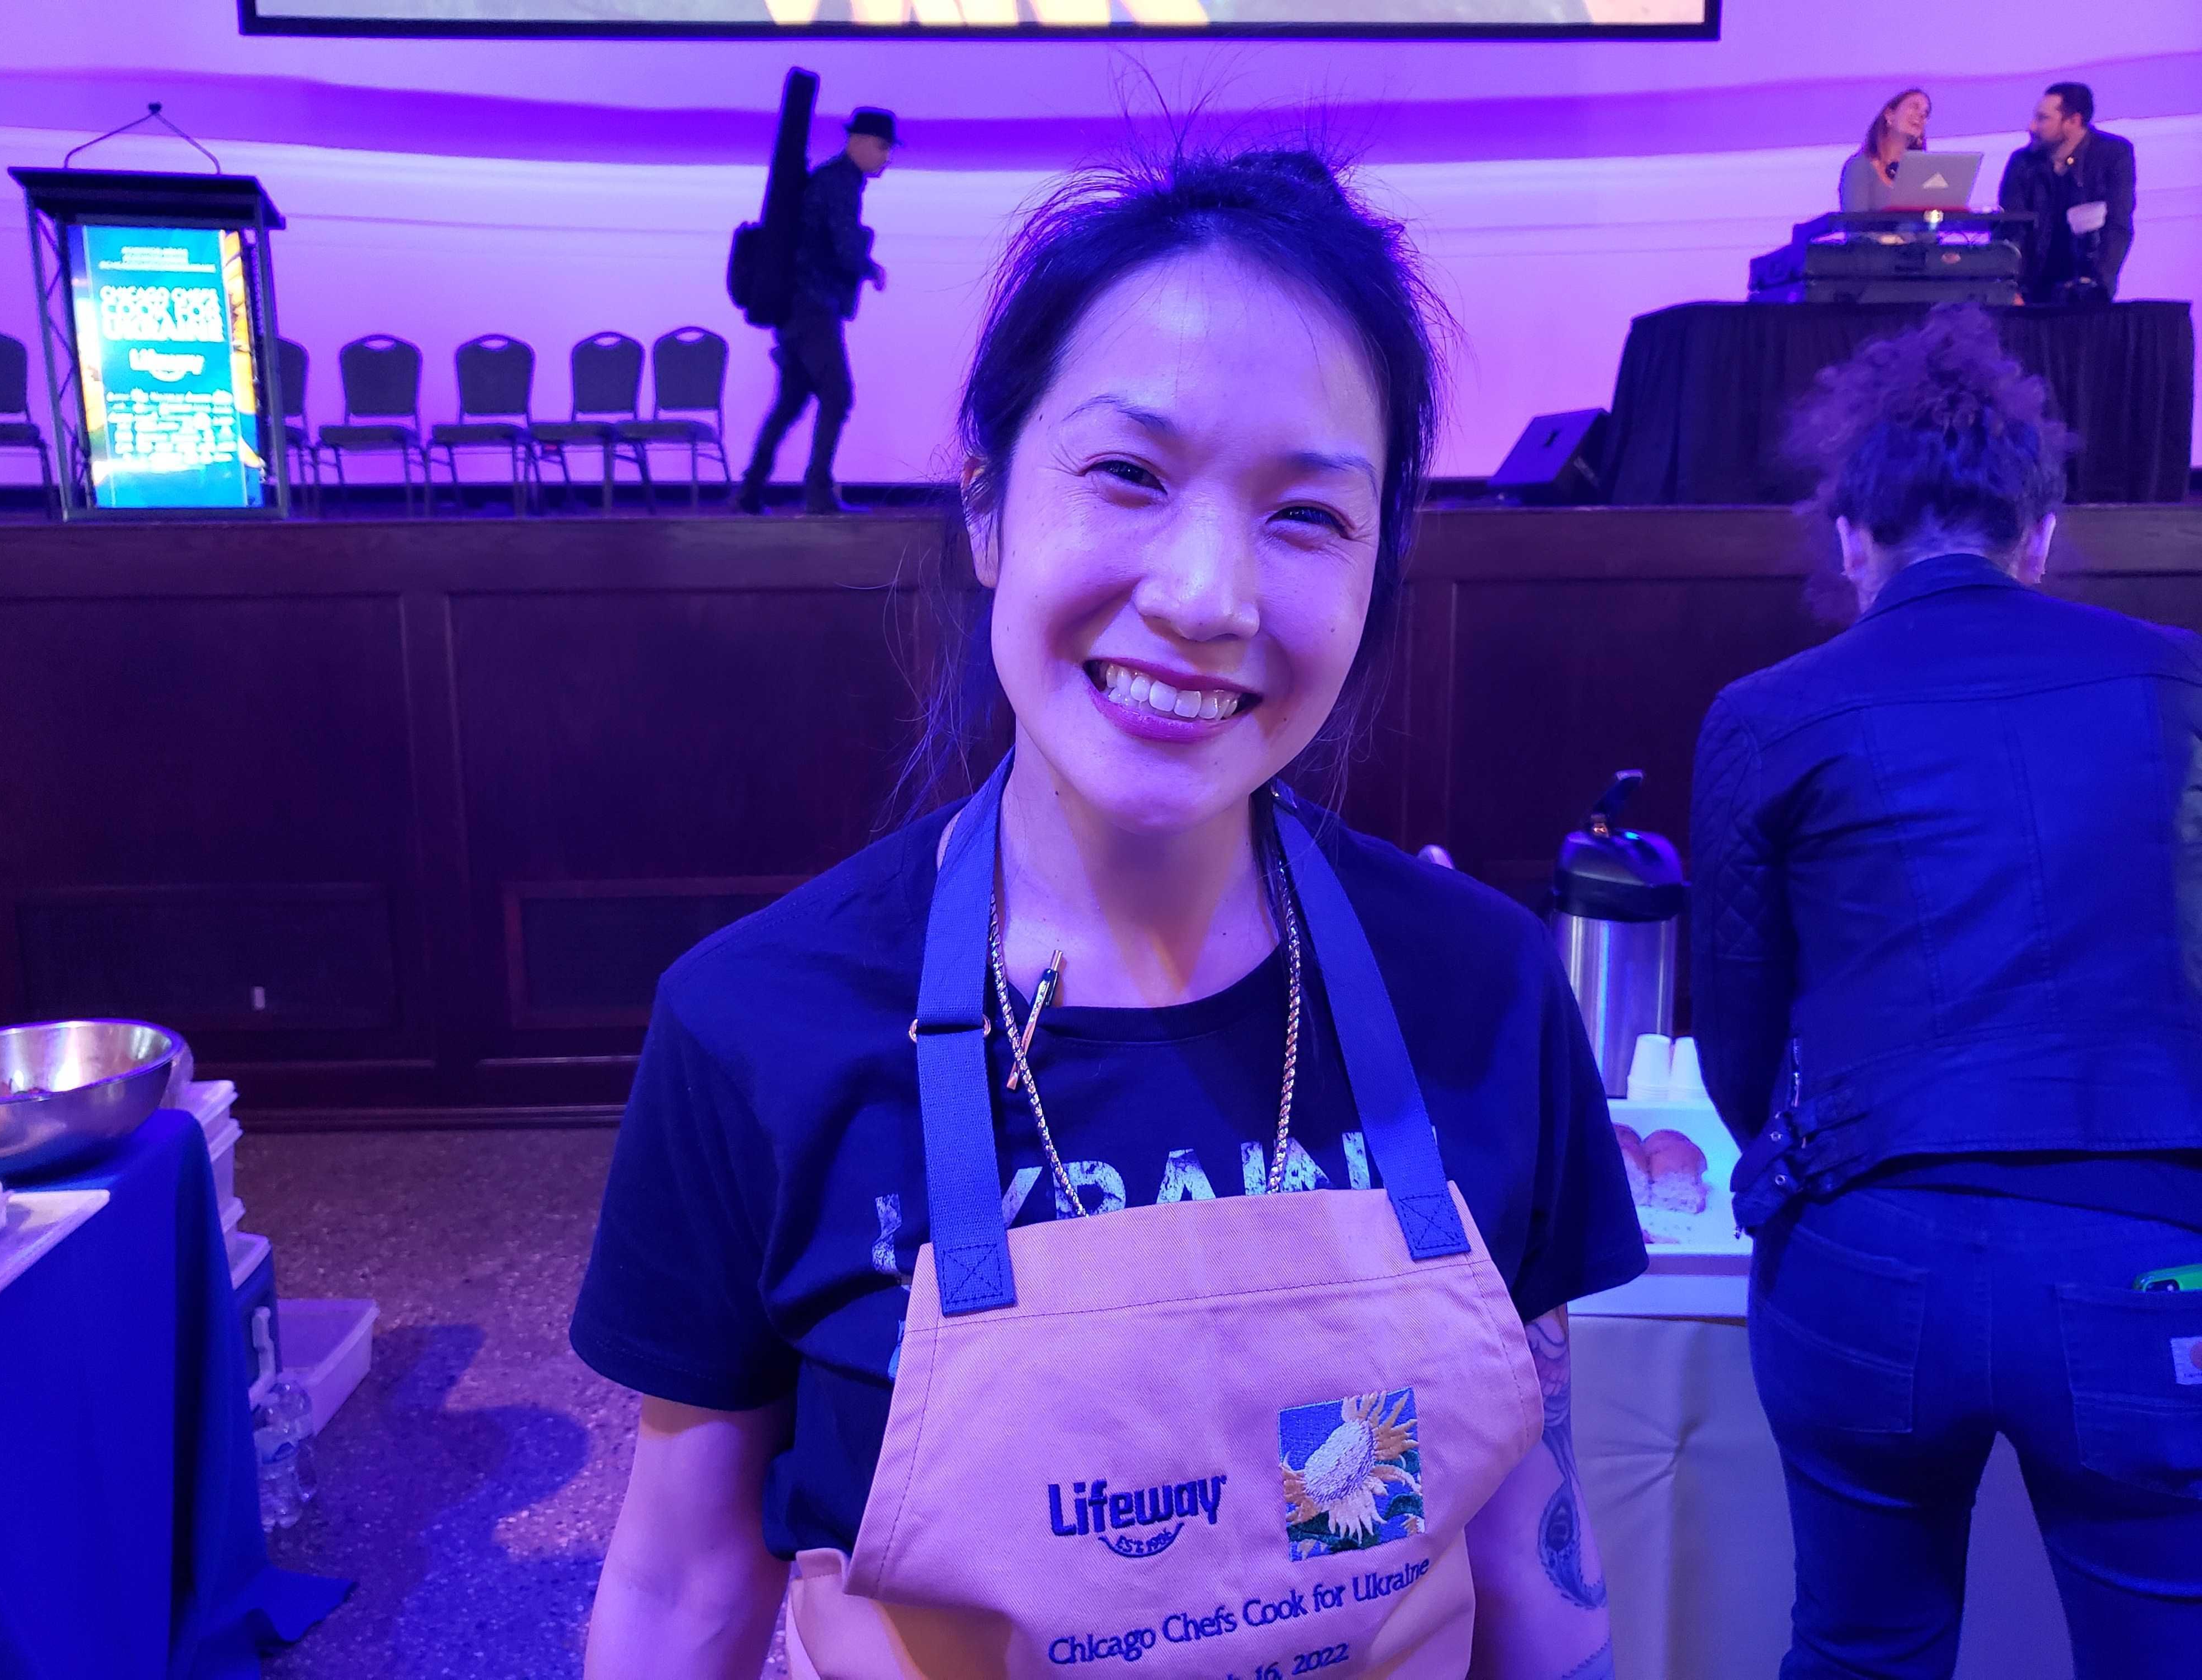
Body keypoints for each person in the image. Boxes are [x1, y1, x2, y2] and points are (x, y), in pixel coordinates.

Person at [572, 146, 1646, 1679]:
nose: (1210, 593)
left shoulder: (1481, 989)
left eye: (1308, 518)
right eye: (1131, 475)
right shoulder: (757, 1025)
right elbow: (680, 1589)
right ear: (990, 508)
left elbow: (1521, 1524)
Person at [1690, 306, 2202, 1679]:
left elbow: (1738, 1044)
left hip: (1870, 1254)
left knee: (1862, 1652)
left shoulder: (1768, 711)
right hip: (2148, 1252)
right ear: (2037, 533)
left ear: (1853, 535)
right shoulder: (2184, 685)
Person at [735, 106, 895, 516]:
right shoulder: (841, 182)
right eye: (881, 147)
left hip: (794, 308)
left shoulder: (833, 179)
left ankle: (750, 490)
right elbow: (843, 248)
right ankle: (818, 493)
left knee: (791, 401)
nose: (886, 157)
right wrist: (869, 264)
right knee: (838, 395)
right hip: (811, 307)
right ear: (856, 142)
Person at [1997, 81, 2136, 302]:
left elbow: (2117, 226)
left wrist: (2099, 285)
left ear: (2073, 121)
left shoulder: (2114, 155)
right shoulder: (2022, 163)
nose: (2032, 127)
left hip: (2087, 291)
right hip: (2031, 292)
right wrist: (2009, 287)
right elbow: (2010, 229)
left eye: (2043, 119)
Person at [1839, 87, 1930, 212]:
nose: (1921, 115)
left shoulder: (1920, 176)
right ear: (1890, 115)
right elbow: (1856, 228)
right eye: (1915, 107)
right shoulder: (1859, 166)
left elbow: (1928, 229)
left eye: (1926, 113)